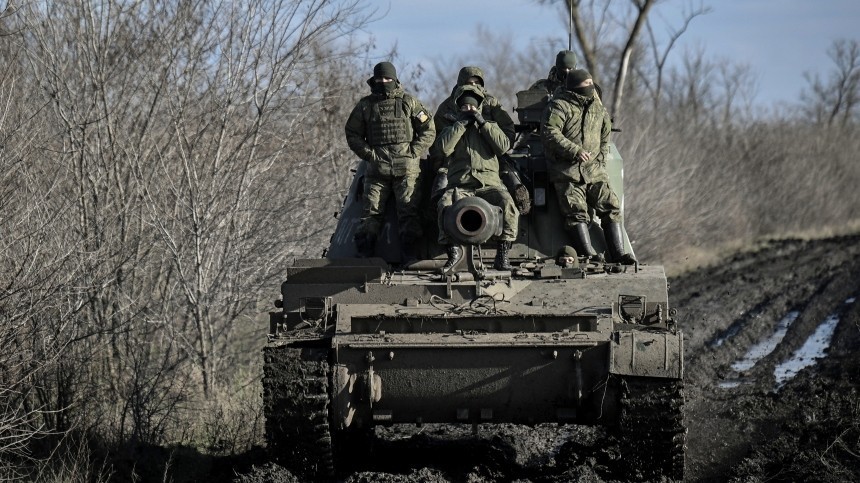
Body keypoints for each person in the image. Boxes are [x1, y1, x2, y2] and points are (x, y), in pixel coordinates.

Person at [540, 69, 636, 265]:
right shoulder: (560, 106)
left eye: (591, 83)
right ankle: (589, 254)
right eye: (586, 84)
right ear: (575, 87)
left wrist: (600, 158)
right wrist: (574, 151)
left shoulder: (597, 107)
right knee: (576, 211)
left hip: (594, 170)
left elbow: (605, 133)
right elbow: (549, 131)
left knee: (611, 205)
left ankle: (618, 253)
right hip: (568, 171)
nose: (590, 87)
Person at [344, 61, 435, 262]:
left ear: (394, 79)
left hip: (406, 169)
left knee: (409, 211)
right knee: (370, 213)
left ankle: (409, 256)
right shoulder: (366, 106)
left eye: (387, 79)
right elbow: (352, 133)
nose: (383, 82)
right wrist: (368, 154)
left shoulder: (408, 103)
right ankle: (365, 254)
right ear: (374, 80)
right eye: (379, 79)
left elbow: (428, 128)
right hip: (377, 169)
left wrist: (414, 151)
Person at [435, 86, 519, 273]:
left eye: (472, 107)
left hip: (489, 184)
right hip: (461, 185)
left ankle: (502, 253)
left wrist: (483, 123)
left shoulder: (490, 126)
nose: (469, 110)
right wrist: (460, 125)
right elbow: (441, 150)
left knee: (508, 204)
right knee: (444, 204)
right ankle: (453, 253)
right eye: (464, 107)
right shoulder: (451, 129)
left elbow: (504, 147)